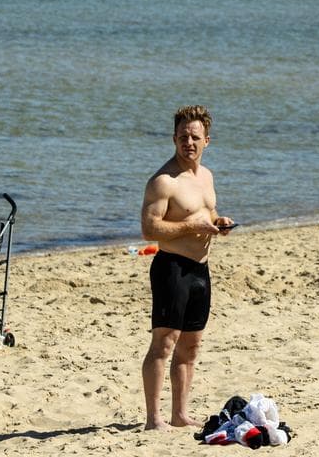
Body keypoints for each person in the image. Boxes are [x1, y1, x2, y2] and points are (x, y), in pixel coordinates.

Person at [139, 105, 235, 430]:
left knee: (191, 345)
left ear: (207, 140)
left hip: (201, 271)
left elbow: (205, 215)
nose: (188, 143)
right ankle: (154, 419)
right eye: (183, 137)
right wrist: (190, 226)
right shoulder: (163, 182)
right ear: (174, 138)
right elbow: (149, 229)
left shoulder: (206, 177)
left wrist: (217, 222)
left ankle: (179, 414)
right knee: (164, 343)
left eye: (195, 137)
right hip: (172, 268)